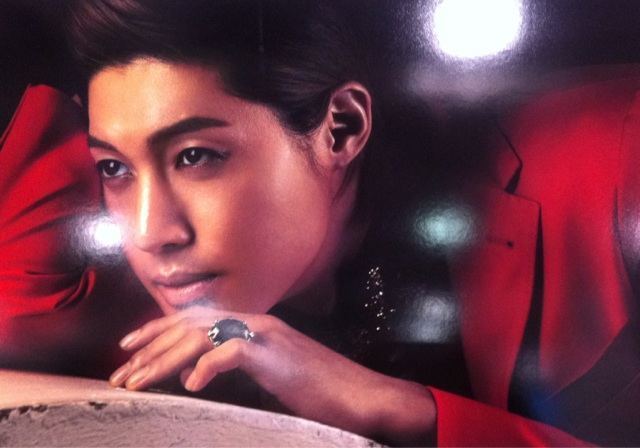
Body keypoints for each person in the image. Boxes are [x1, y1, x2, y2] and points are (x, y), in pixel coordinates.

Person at [2, 0, 630, 445]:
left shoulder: (612, 160)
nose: (148, 232)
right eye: (115, 168)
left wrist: (395, 407)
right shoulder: (120, 293)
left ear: (341, 129)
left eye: (196, 157)